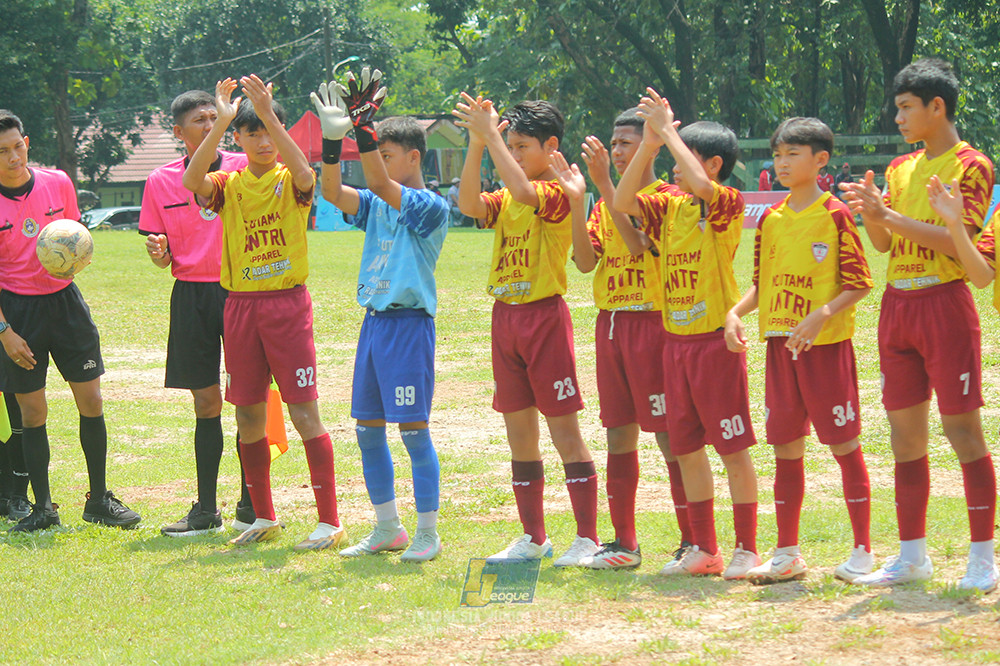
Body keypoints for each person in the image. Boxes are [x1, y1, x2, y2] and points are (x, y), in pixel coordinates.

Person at [842, 58, 998, 591]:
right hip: (898, 307)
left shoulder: (971, 165)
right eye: (897, 108)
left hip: (945, 306)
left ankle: (982, 557)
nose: (899, 117)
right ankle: (912, 557)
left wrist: (891, 218)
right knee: (904, 440)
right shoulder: (899, 169)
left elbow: (965, 247)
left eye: (907, 107)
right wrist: (872, 215)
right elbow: (885, 245)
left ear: (938, 107)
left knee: (963, 433)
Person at [182, 75, 344, 549]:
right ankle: (264, 516)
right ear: (239, 139)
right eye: (252, 133)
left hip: (286, 306)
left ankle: (329, 521)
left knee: (303, 412)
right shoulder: (227, 183)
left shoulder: (288, 180)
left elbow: (307, 176)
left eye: (269, 133)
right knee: (249, 416)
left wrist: (270, 113)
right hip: (240, 308)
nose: (263, 141)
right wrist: (225, 117)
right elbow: (192, 179)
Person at [614, 89, 759, 579]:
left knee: (733, 450)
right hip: (673, 343)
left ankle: (747, 547)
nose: (675, 169)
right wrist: (651, 145)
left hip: (714, 344)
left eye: (683, 157)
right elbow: (621, 200)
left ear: (713, 164)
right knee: (687, 448)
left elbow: (697, 182)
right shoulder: (669, 207)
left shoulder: (726, 203)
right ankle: (705, 547)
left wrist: (669, 131)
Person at [726, 117, 873, 584]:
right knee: (786, 447)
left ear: (820, 160)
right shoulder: (771, 217)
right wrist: (735, 313)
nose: (782, 163)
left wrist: (820, 314)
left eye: (793, 154)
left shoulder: (835, 214)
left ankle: (863, 550)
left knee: (844, 446)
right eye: (778, 155)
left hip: (825, 349)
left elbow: (860, 282)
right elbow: (759, 284)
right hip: (779, 348)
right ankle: (787, 551)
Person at [453, 95, 599, 566]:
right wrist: (478, 142)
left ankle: (587, 537)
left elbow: (523, 193)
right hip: (506, 318)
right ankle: (534, 537)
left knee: (564, 433)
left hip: (543, 319)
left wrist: (492, 134)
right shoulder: (510, 193)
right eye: (508, 145)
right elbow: (469, 203)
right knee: (520, 434)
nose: (512, 154)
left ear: (550, 146)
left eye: (520, 146)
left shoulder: (558, 190)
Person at [311, 69, 448, 562]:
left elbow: (373, 179)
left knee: (413, 432)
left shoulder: (430, 205)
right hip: (374, 324)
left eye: (388, 156)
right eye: (378, 154)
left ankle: (428, 531)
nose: (380, 165)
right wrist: (333, 141)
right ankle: (388, 527)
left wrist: (362, 130)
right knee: (367, 430)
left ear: (414, 157)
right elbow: (333, 193)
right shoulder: (376, 201)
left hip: (409, 327)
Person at [551, 107, 691, 570]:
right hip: (611, 324)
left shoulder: (665, 198)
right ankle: (625, 543)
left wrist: (606, 186)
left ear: (650, 145)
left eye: (626, 143)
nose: (615, 151)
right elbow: (587, 262)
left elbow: (636, 245)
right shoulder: (603, 200)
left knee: (670, 436)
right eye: (613, 144)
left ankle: (693, 539)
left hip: (651, 324)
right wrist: (578, 202)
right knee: (618, 434)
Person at [0, 109, 141, 532]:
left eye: (17, 146)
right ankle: (43, 508)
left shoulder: (58, 182)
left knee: (92, 401)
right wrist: (5, 333)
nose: (12, 157)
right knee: (32, 412)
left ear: (28, 142)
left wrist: (76, 258)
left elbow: (74, 234)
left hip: (66, 304)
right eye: (2, 151)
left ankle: (98, 500)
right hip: (18, 313)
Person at [139, 90, 255, 537]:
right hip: (191, 296)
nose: (209, 124)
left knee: (248, 400)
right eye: (199, 119)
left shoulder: (243, 167)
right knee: (206, 402)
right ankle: (206, 509)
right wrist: (159, 251)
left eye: (214, 116)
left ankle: (253, 502)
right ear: (178, 132)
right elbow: (161, 251)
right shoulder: (159, 181)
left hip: (241, 292)